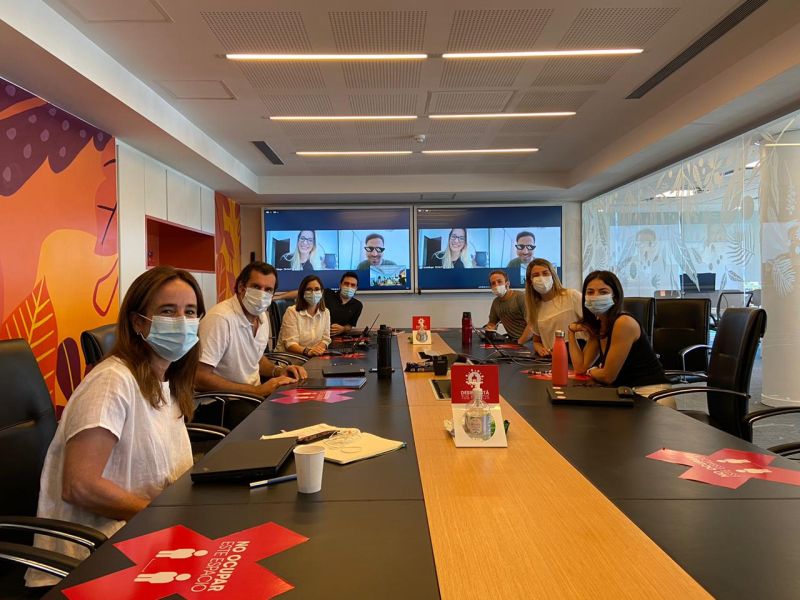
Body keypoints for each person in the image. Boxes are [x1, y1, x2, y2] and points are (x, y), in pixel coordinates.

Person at [25, 266, 203, 587]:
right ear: (138, 322)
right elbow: (80, 486)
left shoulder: (167, 379)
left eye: (190, 312)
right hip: (92, 557)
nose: (182, 321)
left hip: (142, 535)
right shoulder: (112, 381)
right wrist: (161, 513)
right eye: (167, 311)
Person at [196, 262, 306, 397]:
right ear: (241, 287)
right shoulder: (220, 319)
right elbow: (199, 378)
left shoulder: (262, 316)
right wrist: (256, 391)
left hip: (253, 395)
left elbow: (256, 360)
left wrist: (279, 371)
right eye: (256, 287)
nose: (262, 294)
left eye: (268, 290)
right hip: (226, 400)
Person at [568, 270, 668, 388]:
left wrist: (591, 371)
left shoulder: (624, 323)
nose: (595, 296)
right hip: (624, 391)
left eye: (603, 292)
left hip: (649, 392)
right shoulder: (600, 325)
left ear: (615, 296)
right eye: (590, 292)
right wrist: (571, 332)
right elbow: (580, 368)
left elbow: (607, 376)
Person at [518, 258, 583, 357]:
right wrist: (540, 349)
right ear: (530, 281)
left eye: (545, 273)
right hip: (553, 360)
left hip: (579, 358)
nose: (541, 278)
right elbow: (536, 341)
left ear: (552, 275)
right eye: (536, 275)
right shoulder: (535, 308)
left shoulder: (571, 295)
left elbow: (592, 326)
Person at [276, 274, 332, 356]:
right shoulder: (292, 312)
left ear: (322, 292)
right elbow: (290, 344)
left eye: (317, 289)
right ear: (302, 292)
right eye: (309, 289)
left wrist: (317, 351)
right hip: (291, 359)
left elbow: (326, 339)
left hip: (313, 358)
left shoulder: (326, 312)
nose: (313, 293)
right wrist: (308, 352)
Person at [484, 270, 527, 340]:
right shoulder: (496, 302)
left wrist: (520, 342)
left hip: (528, 341)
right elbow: (492, 323)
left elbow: (532, 325)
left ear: (507, 284)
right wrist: (489, 328)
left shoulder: (520, 297)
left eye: (499, 281)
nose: (496, 285)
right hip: (512, 340)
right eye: (493, 283)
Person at [324, 271, 363, 336]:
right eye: (346, 284)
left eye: (353, 285)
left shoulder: (358, 305)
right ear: (340, 284)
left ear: (356, 288)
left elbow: (350, 326)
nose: (349, 287)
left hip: (340, 338)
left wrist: (343, 329)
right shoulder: (327, 294)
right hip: (321, 336)